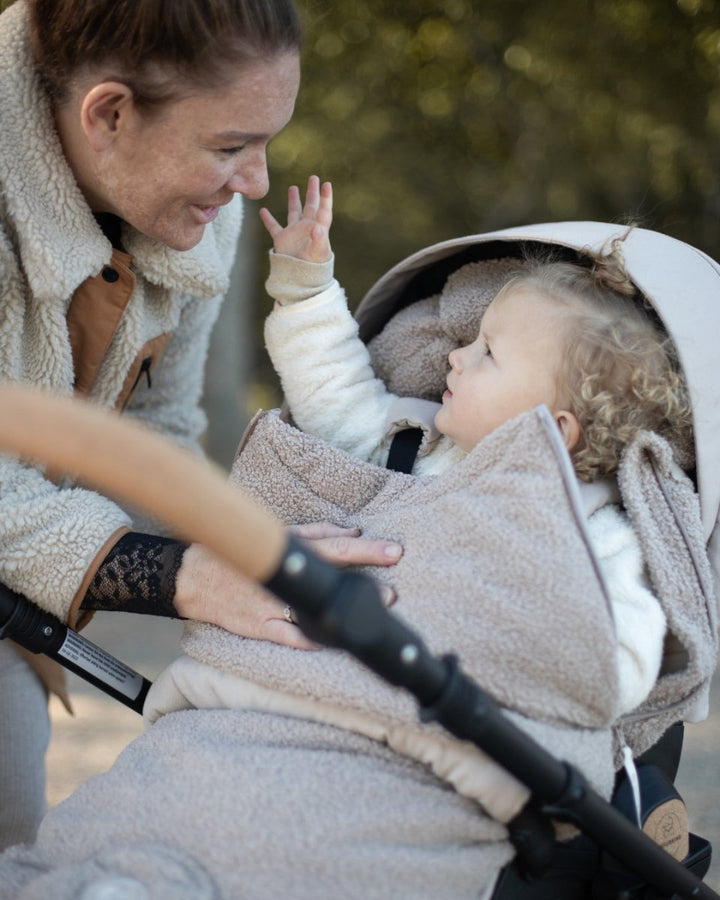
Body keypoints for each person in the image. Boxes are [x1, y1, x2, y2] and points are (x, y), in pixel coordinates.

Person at [0, 1, 402, 850]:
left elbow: (154, 431)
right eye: (228, 148)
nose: (257, 182)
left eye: (266, 141)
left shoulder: (187, 228)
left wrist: (269, 559)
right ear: (107, 113)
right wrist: (184, 575)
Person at [260, 175, 695, 718]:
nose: (456, 357)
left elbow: (622, 657)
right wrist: (305, 289)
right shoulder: (417, 445)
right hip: (336, 689)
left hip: (464, 714)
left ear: (552, 428)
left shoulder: (594, 529)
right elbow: (334, 393)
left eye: (487, 351)